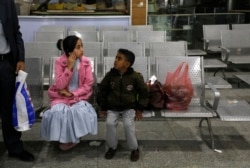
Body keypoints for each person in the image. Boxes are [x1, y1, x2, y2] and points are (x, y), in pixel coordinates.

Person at [40, 35, 98, 151]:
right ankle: (66, 138)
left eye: (82, 46)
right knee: (59, 112)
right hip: (60, 96)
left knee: (77, 111)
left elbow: (88, 85)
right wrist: (69, 67)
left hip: (79, 96)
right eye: (78, 47)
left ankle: (73, 138)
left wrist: (72, 94)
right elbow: (60, 85)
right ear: (69, 50)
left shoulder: (86, 62)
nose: (82, 49)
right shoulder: (60, 62)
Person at [97, 49, 149, 162]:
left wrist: (140, 109)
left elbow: (144, 93)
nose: (115, 60)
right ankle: (112, 147)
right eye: (116, 57)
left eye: (119, 58)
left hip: (129, 107)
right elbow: (102, 91)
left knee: (128, 125)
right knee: (110, 123)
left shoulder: (135, 77)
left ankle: (134, 149)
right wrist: (103, 108)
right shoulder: (110, 75)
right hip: (113, 107)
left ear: (127, 64)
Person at [0, 0, 35, 162]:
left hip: (6, 63)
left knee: (8, 107)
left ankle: (14, 147)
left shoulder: (6, 3)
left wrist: (20, 57)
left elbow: (16, 31)